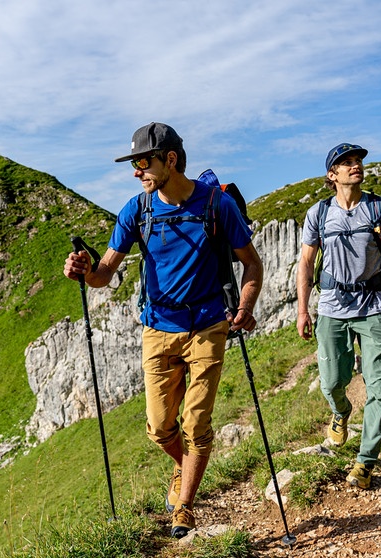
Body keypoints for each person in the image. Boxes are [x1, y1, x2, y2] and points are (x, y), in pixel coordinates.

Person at [64, 122, 263, 538]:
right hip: (158, 327)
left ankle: (185, 507)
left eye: (142, 162)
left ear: (170, 160)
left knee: (196, 424)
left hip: (209, 324)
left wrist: (244, 307)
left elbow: (252, 264)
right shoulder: (137, 210)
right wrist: (83, 270)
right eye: (133, 164)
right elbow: (103, 274)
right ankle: (182, 464)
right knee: (159, 427)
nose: (136, 171)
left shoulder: (216, 205)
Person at [295, 143, 381, 489]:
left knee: (379, 387)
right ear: (332, 175)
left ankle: (365, 462)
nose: (355, 166)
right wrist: (303, 309)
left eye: (358, 161)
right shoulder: (318, 214)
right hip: (332, 309)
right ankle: (341, 412)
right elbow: (305, 263)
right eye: (346, 163)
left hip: (376, 308)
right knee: (332, 381)